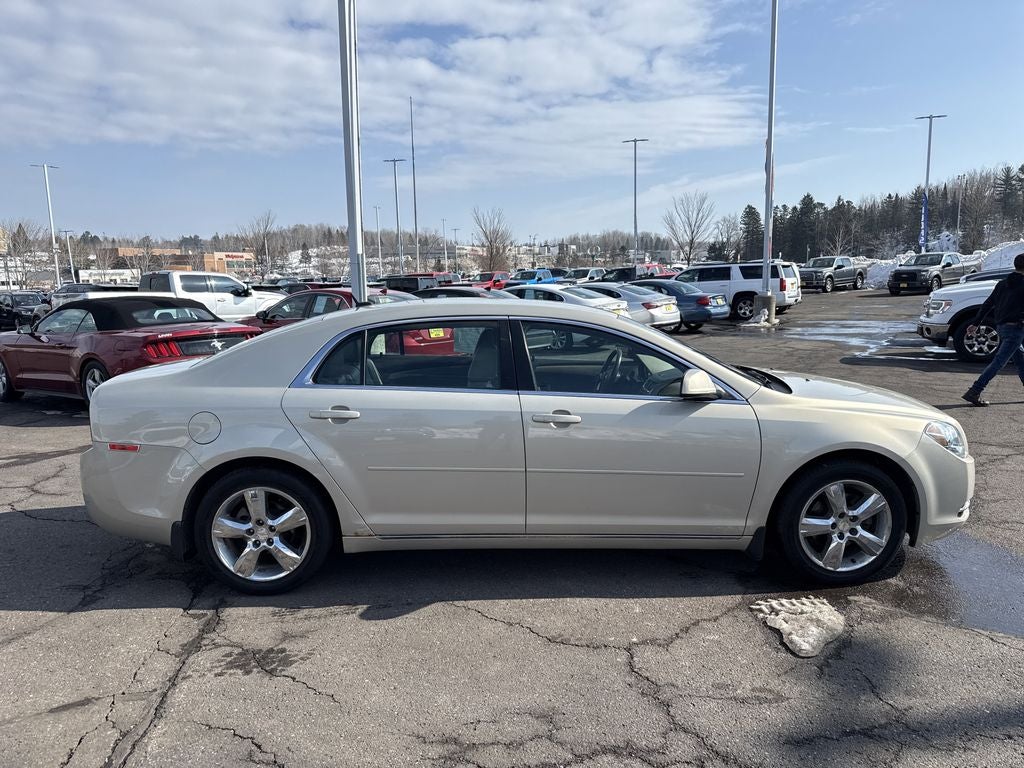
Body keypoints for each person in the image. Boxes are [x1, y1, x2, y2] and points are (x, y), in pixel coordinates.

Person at [961, 252, 1024, 406]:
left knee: (1020, 359)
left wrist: (975, 323)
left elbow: (987, 304)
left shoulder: (1002, 283)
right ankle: (975, 391)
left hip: (1002, 327)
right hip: (1016, 329)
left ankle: (975, 391)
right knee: (999, 362)